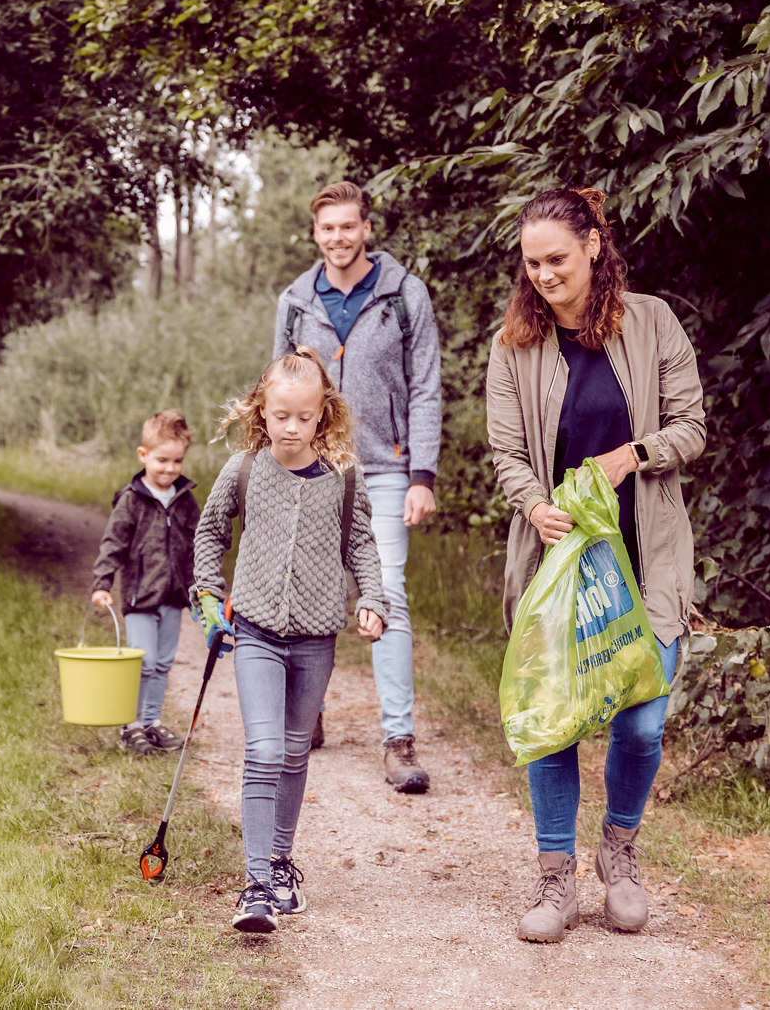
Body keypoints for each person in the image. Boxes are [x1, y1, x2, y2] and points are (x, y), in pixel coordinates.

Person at [485, 187, 707, 943]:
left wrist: (633, 454)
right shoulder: (514, 344)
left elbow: (691, 426)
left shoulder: (652, 322)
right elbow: (507, 452)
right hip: (557, 566)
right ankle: (556, 876)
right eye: (532, 264)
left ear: (593, 246)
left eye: (556, 259)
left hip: (645, 558)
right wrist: (533, 504)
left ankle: (620, 850)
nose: (544, 275)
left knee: (642, 723)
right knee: (554, 723)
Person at [193, 346, 387, 933]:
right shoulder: (244, 469)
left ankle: (280, 862)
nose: (293, 428)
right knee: (265, 750)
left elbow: (362, 544)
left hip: (315, 638)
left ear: (323, 413)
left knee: (296, 750)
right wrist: (208, 593)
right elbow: (210, 531)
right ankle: (255, 885)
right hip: (253, 631)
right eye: (281, 416)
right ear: (261, 411)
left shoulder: (343, 477)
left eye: (304, 417)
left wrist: (373, 599)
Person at [273, 181, 441, 793]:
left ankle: (398, 740)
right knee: (308, 588)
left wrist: (422, 475)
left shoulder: (405, 294)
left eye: (348, 226)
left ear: (366, 228)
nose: (338, 238)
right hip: (313, 466)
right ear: (315, 233)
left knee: (385, 591)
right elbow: (276, 390)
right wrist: (275, 466)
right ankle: (306, 714)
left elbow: (425, 387)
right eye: (327, 228)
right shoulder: (295, 302)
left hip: (388, 468)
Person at [91, 410, 202, 756]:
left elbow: (196, 546)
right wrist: (102, 582)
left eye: (177, 461)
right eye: (162, 460)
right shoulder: (131, 500)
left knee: (164, 662)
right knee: (145, 662)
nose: (170, 468)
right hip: (140, 597)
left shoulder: (185, 500)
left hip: (173, 596)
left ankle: (152, 722)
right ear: (143, 455)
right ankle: (131, 725)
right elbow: (113, 543)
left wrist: (199, 588)